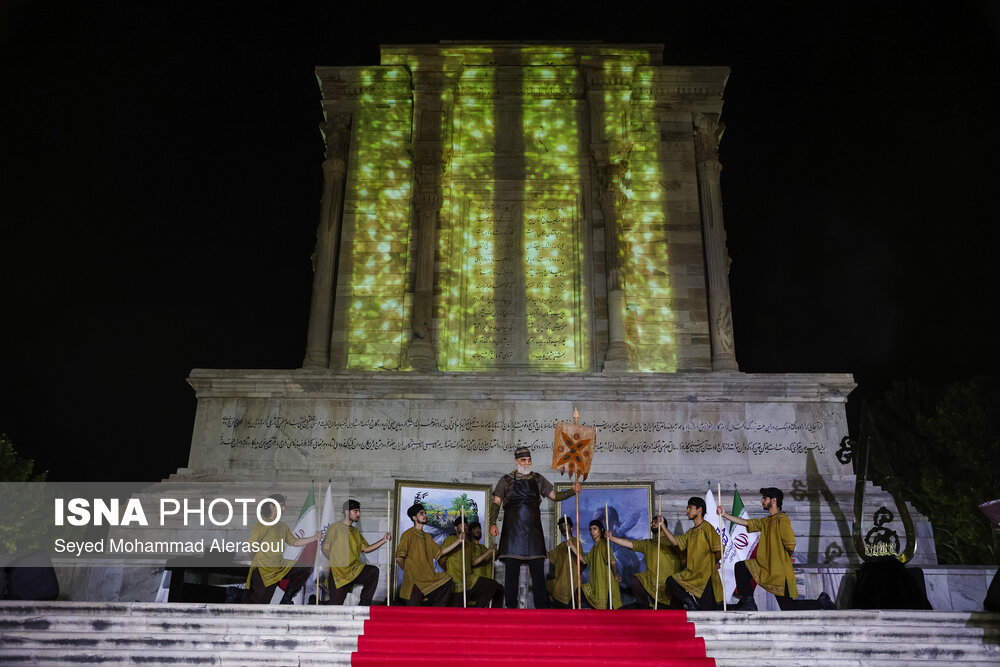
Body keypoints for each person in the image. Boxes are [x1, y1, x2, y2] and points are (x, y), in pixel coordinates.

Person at [489, 447, 581, 608]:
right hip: (512, 534)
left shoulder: (538, 479)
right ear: (516, 461)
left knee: (538, 574)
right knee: (511, 575)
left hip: (533, 534)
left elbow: (555, 496)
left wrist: (572, 491)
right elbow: (496, 504)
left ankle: (542, 611)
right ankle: (511, 610)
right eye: (523, 460)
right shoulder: (505, 480)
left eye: (529, 460)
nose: (527, 463)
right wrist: (492, 523)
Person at [717, 487, 834, 611]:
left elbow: (790, 545)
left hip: (778, 570)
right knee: (741, 567)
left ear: (773, 500)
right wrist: (724, 515)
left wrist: (782, 560)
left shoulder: (782, 520)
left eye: (764, 498)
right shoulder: (766, 521)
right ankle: (748, 603)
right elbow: (747, 523)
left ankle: (822, 603)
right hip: (764, 566)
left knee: (788, 607)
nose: (762, 501)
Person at [245, 493, 321, 604]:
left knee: (304, 567)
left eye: (284, 506)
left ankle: (286, 599)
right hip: (263, 570)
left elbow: (294, 542)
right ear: (272, 506)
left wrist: (314, 538)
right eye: (281, 505)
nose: (284, 509)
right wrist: (258, 562)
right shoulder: (261, 524)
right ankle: (235, 594)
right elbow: (250, 547)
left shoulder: (283, 526)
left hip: (280, 566)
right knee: (260, 604)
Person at [321, 499, 391, 606]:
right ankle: (319, 603)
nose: (358, 514)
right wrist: (336, 561)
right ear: (346, 512)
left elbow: (366, 549)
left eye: (359, 511)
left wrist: (384, 540)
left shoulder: (356, 532)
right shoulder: (335, 528)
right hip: (338, 574)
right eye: (355, 511)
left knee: (373, 571)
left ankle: (364, 602)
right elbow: (325, 548)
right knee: (335, 606)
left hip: (354, 570)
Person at [659, 497, 722, 611]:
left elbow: (719, 549)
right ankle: (690, 601)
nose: (687, 511)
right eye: (687, 508)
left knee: (707, 611)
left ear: (699, 510)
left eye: (690, 508)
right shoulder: (690, 533)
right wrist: (663, 526)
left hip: (706, 575)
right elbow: (675, 542)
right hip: (692, 574)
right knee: (671, 582)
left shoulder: (707, 528)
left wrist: (715, 562)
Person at [606, 515, 681, 609]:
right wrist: (612, 538)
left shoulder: (671, 541)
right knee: (636, 580)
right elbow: (630, 544)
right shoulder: (648, 543)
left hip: (669, 582)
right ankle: (644, 607)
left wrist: (663, 527)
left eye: (656, 522)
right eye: (652, 522)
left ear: (663, 524)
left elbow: (676, 544)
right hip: (652, 580)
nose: (652, 523)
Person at [395, 503, 462, 606]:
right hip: (413, 581)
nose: (424, 515)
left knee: (448, 580)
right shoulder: (407, 535)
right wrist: (409, 570)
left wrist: (458, 541)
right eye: (421, 513)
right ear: (414, 517)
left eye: (425, 513)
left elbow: (440, 552)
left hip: (428, 578)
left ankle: (437, 613)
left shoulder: (427, 537)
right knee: (413, 615)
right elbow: (399, 558)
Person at [439, 517, 504, 608]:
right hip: (455, 582)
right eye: (462, 525)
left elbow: (474, 562)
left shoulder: (468, 544)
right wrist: (458, 541)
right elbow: (441, 553)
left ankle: (478, 611)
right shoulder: (450, 539)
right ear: (455, 528)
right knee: (457, 613)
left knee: (494, 586)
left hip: (469, 580)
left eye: (466, 525)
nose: (465, 526)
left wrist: (490, 551)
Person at [546, 516, 586, 608]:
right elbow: (549, 555)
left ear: (571, 528)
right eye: (561, 526)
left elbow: (583, 561)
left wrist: (572, 546)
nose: (563, 527)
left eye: (565, 525)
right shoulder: (561, 546)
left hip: (572, 586)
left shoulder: (576, 542)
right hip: (561, 585)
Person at [581, 519, 622, 609]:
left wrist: (615, 575)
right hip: (598, 582)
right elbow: (585, 561)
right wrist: (572, 547)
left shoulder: (603, 544)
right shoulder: (595, 546)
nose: (592, 532)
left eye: (594, 529)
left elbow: (612, 561)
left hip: (606, 582)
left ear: (601, 530)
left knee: (610, 609)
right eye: (590, 529)